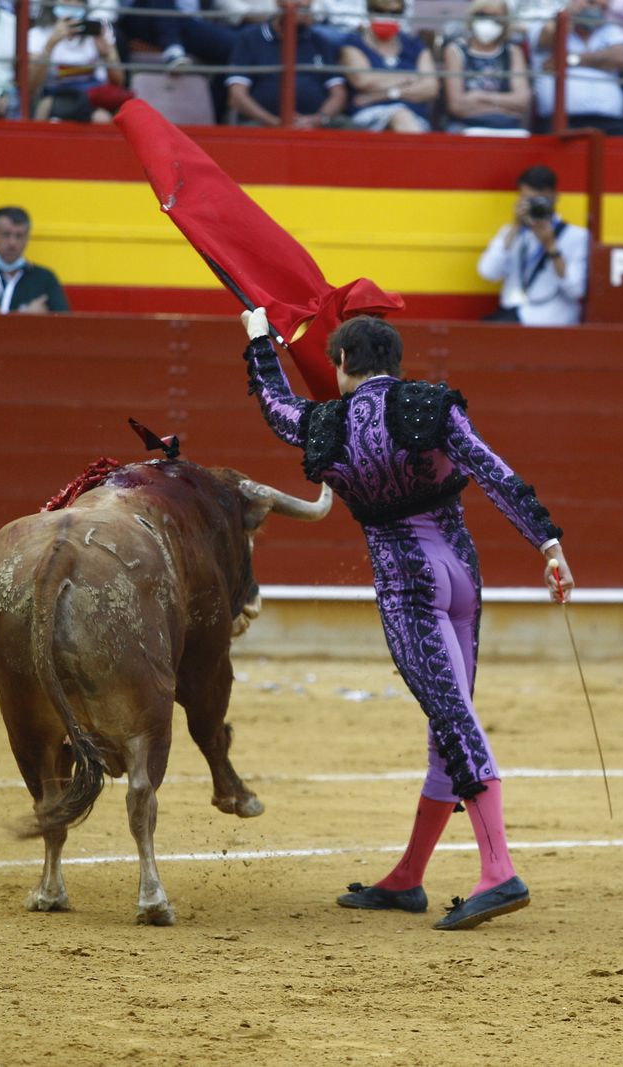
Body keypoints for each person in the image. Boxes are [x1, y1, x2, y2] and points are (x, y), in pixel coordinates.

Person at [237, 309, 572, 932]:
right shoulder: (432, 406)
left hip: (408, 583)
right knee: (450, 721)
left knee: (452, 718)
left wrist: (259, 340)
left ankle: (499, 872)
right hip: (462, 576)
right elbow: (494, 472)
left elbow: (275, 405)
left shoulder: (324, 421)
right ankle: (408, 879)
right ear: (395, 364)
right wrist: (547, 544)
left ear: (341, 365)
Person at [476, 165, 591, 326]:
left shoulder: (577, 236)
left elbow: (576, 290)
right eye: (528, 200)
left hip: (554, 323)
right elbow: (488, 273)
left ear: (555, 197)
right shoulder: (511, 233)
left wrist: (552, 248)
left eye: (539, 201)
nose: (534, 206)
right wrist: (515, 226)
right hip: (513, 319)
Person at [225, 0, 348, 127]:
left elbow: (338, 94)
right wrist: (275, 122)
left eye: (308, 8)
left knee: (351, 128)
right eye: (300, 7)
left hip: (316, 126)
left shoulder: (320, 42)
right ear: (279, 3)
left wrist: (317, 119)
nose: (305, 11)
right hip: (262, 126)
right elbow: (237, 96)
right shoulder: (250, 38)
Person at [531, 0, 623, 136]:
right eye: (591, 3)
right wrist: (568, 15)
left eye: (602, 7)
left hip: (611, 121)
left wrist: (570, 60)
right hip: (559, 121)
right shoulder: (547, 24)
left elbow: (621, 57)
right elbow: (548, 36)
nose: (595, 10)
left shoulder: (609, 30)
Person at [340, 0, 437, 133]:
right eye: (380, 11)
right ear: (369, 12)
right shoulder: (354, 43)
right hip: (367, 119)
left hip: (415, 118)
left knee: (402, 115)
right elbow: (363, 81)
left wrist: (383, 94)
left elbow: (430, 88)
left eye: (395, 12)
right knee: (400, 115)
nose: (387, 17)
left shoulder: (414, 45)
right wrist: (410, 77)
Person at [29, 1, 132, 122]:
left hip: (92, 97)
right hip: (56, 97)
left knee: (103, 118)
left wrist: (107, 54)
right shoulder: (37, 35)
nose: (72, 4)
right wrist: (50, 45)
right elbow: (31, 86)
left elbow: (119, 81)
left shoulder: (98, 31)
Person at [439, 0, 531, 134]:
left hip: (509, 128)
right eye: (483, 15)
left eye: (496, 17)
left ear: (505, 22)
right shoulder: (455, 50)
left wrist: (478, 96)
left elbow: (522, 101)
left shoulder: (513, 51)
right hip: (465, 127)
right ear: (472, 16)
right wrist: (504, 109)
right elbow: (456, 105)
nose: (489, 22)